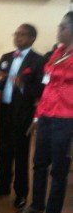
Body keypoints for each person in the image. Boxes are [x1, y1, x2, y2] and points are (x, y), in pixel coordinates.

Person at [0, 24, 45, 209]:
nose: (18, 37)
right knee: (3, 151)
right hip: (4, 111)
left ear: (32, 38)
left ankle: (21, 193)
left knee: (20, 154)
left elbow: (41, 90)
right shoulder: (6, 57)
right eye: (16, 34)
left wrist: (22, 86)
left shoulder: (38, 61)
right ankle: (2, 185)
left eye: (23, 35)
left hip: (23, 115)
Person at [19, 12, 73, 213]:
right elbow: (47, 88)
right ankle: (37, 204)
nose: (58, 30)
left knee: (58, 169)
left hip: (66, 120)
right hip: (46, 116)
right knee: (39, 163)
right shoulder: (57, 53)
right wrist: (36, 116)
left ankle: (53, 209)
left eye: (63, 27)